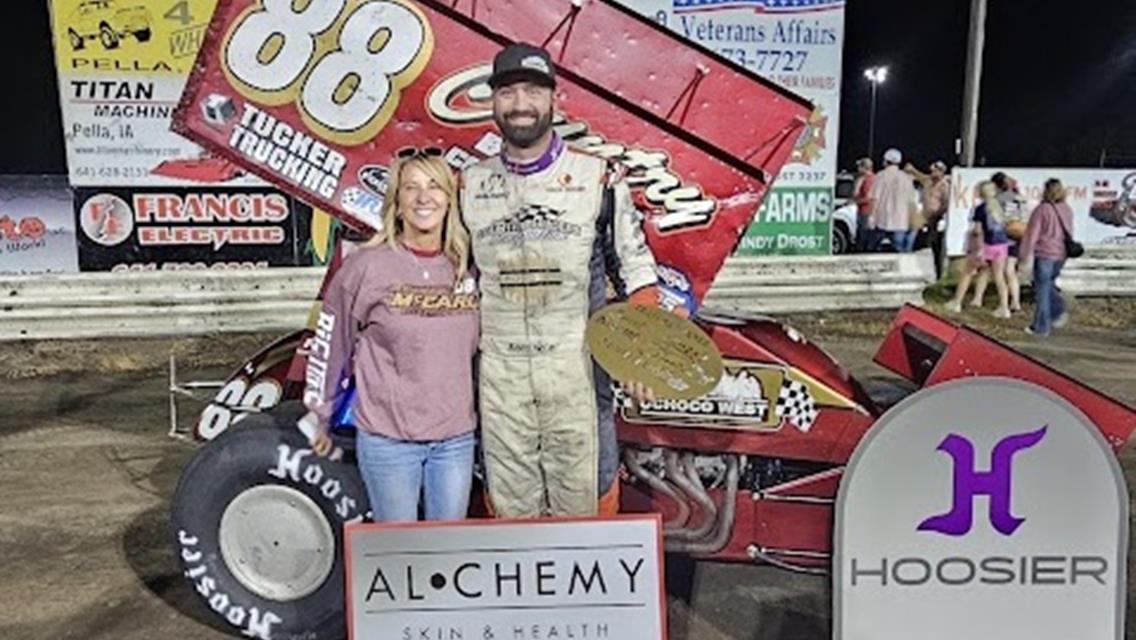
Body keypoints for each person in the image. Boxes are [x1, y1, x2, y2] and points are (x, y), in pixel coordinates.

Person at [461, 43, 658, 518]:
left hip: (577, 373)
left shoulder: (598, 179)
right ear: (493, 101)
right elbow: (450, 278)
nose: (520, 104)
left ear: (555, 99)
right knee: (510, 514)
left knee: (585, 507)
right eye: (508, 92)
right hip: (500, 377)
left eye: (533, 91)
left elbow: (636, 270)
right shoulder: (467, 184)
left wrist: (642, 353)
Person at [300, 150, 480, 522]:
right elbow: (332, 343)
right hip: (389, 441)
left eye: (434, 186)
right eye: (411, 188)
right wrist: (320, 412)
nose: (424, 197)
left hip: (455, 440)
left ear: (449, 199)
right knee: (399, 549)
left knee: (449, 547)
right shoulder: (366, 266)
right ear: (396, 203)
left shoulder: (468, 267)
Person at [946, 181, 1012, 317]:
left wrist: (977, 249)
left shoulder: (981, 209)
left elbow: (978, 231)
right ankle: (1004, 307)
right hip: (1002, 245)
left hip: (987, 245)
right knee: (999, 277)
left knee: (968, 272)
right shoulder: (1000, 207)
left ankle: (956, 302)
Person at [1018, 178, 1073, 336]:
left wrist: (1024, 255)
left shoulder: (1042, 210)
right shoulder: (1066, 209)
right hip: (1061, 253)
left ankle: (1041, 326)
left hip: (1044, 253)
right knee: (1048, 285)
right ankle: (1057, 310)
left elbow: (1032, 235)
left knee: (1041, 290)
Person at [869, 148, 918, 252]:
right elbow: (912, 201)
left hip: (881, 221)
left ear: (886, 161)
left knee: (873, 251)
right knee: (900, 252)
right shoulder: (906, 178)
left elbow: (874, 198)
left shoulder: (880, 176)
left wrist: (871, 217)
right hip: (901, 222)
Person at [906, 160, 950, 277]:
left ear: (941, 172)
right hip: (923, 216)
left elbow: (946, 204)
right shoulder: (927, 181)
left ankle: (936, 271)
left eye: (936, 171)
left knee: (932, 245)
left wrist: (937, 214)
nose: (933, 173)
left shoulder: (944, 186)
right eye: (932, 171)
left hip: (936, 218)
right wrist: (912, 170)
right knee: (915, 240)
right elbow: (919, 175)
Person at [852, 157, 875, 252]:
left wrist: (855, 201)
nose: (857, 169)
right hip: (865, 211)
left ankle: (861, 252)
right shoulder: (871, 178)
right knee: (863, 233)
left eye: (859, 166)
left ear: (864, 168)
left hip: (866, 211)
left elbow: (868, 198)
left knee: (863, 234)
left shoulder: (868, 180)